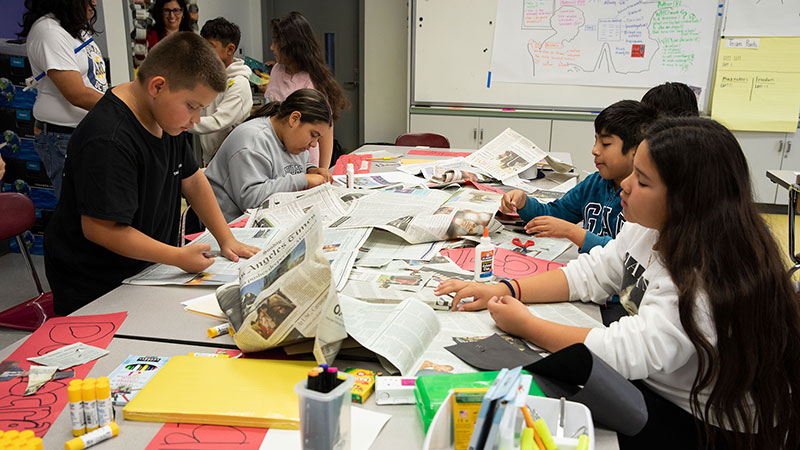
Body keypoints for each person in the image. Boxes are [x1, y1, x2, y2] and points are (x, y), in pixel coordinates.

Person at [436, 117, 800, 450]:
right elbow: (589, 274)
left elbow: (625, 355)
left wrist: (527, 325)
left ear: (686, 201)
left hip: (709, 427)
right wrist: (506, 289)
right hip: (657, 385)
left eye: (642, 181)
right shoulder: (646, 227)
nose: (624, 186)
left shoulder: (706, 273)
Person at [43, 32, 260, 316]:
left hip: (145, 269)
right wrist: (177, 256)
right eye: (192, 106)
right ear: (158, 86)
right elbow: (101, 228)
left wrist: (226, 238)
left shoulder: (166, 118)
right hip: (97, 286)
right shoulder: (109, 138)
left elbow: (193, 179)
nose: (196, 119)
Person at [500, 100, 658, 253]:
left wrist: (573, 232)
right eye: (595, 141)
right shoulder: (594, 184)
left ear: (637, 150)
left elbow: (625, 253)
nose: (594, 150)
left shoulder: (643, 200)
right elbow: (553, 215)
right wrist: (523, 202)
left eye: (606, 144)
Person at [20, 0, 108, 199]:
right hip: (64, 138)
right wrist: (124, 106)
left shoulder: (72, 25)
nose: (95, 2)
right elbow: (77, 94)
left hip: (87, 131)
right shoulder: (49, 32)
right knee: (78, 214)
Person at [204, 88, 333, 222]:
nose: (313, 145)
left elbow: (296, 166)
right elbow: (251, 200)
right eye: (313, 135)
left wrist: (311, 170)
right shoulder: (251, 141)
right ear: (294, 119)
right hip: (232, 225)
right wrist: (304, 180)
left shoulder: (293, 142)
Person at [266, 11, 349, 176]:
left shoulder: (312, 81)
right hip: (276, 154)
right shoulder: (276, 70)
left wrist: (322, 170)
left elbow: (326, 130)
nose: (272, 48)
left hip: (303, 159)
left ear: (292, 46)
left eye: (276, 42)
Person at [190, 17, 253, 165]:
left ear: (230, 49)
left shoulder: (239, 83)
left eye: (210, 47)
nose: (205, 53)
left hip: (232, 162)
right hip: (211, 159)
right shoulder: (208, 78)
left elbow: (218, 121)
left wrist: (180, 123)